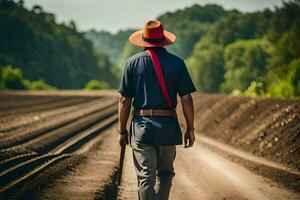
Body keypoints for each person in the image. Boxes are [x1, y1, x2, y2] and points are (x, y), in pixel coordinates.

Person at [117, 20, 196, 200]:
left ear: (144, 40)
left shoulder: (132, 63)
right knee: (166, 174)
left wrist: (122, 131)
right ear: (163, 40)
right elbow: (187, 99)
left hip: (142, 128)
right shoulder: (177, 63)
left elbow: (124, 101)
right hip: (168, 128)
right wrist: (190, 129)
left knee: (146, 177)